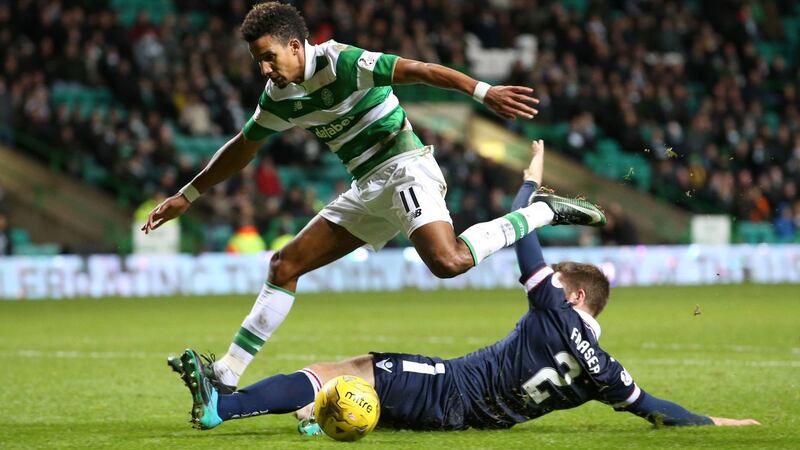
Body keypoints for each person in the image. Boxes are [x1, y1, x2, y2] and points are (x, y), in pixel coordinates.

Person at [145, 2, 605, 392]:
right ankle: (226, 374)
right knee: (284, 266)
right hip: (366, 186)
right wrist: (190, 194)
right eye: (257, 61)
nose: (264, 69)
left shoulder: (343, 62)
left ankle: (541, 210)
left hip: (406, 167)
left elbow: (419, 70)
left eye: (268, 57)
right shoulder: (278, 97)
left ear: (294, 45)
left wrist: (482, 92)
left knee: (447, 263)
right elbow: (243, 147)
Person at [172, 142, 759, 431]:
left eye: (558, 283)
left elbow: (520, 236)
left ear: (575, 296)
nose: (549, 284)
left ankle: (225, 407)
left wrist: (530, 187)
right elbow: (655, 410)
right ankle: (312, 414)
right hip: (467, 418)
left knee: (346, 367)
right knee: (351, 390)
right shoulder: (605, 371)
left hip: (451, 386)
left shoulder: (557, 314)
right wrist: (718, 423)